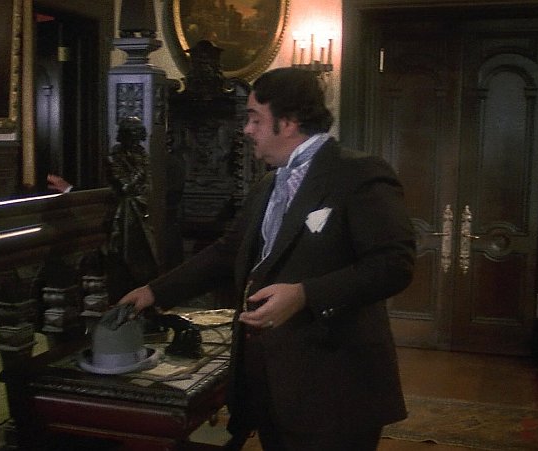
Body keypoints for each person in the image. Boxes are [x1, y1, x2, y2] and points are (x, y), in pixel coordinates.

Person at [119, 67, 415, 450]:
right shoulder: (267, 185)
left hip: (336, 388)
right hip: (272, 384)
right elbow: (226, 253)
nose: (247, 130)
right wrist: (154, 292)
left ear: (288, 122)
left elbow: (393, 265)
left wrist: (305, 295)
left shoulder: (358, 173)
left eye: (255, 119)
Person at [106, 116, 159, 301]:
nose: (136, 140)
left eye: (138, 135)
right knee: (126, 255)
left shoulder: (141, 154)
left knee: (148, 256)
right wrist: (140, 172)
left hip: (143, 209)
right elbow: (125, 186)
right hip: (125, 212)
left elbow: (148, 185)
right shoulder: (115, 157)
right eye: (132, 135)